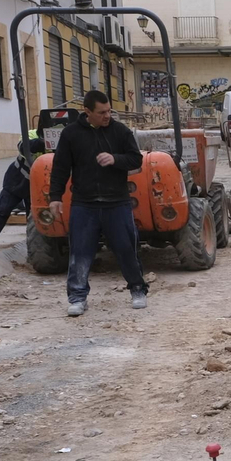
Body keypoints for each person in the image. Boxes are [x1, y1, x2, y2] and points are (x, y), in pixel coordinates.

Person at [48, 90, 148, 316]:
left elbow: (136, 159)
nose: (107, 116)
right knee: (80, 252)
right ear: (87, 112)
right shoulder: (71, 134)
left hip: (117, 202)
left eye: (109, 111)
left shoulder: (120, 131)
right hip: (84, 204)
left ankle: (138, 290)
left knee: (126, 248)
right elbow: (60, 168)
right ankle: (77, 297)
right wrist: (55, 197)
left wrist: (115, 159)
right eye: (102, 112)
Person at [0, 137, 46, 255]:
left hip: (38, 187)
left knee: (35, 218)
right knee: (1, 211)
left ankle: (33, 245)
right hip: (17, 181)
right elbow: (22, 146)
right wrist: (44, 143)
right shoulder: (31, 134)